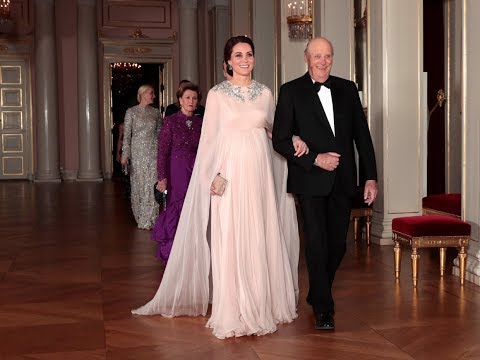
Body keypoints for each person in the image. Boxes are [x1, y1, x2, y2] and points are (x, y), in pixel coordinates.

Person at [132, 35, 308, 339]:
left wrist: (293, 138)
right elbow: (210, 139)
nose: (244, 60)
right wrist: (211, 175)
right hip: (228, 173)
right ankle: (234, 306)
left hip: (259, 174)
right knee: (232, 233)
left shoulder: (265, 93)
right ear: (228, 61)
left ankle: (261, 301)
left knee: (258, 232)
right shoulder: (216, 95)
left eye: (249, 54)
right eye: (238, 55)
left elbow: (274, 131)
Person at [272, 37, 378, 331]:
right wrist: (314, 159)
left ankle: (317, 291)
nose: (322, 61)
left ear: (333, 58)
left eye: (328, 56)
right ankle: (324, 308)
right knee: (317, 243)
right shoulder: (291, 90)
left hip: (344, 180)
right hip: (309, 180)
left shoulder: (347, 89)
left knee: (337, 246)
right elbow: (280, 139)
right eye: (317, 56)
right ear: (306, 58)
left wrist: (370, 177)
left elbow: (362, 137)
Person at [151, 82, 203, 262]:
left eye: (194, 98)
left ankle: (191, 250)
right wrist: (162, 178)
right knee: (177, 207)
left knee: (194, 208)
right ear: (180, 100)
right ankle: (173, 253)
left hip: (195, 170)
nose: (191, 101)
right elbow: (162, 152)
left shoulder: (200, 123)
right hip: (176, 171)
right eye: (187, 98)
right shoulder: (170, 121)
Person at [121, 84, 162, 229]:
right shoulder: (131, 112)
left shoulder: (156, 113)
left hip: (153, 153)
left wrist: (162, 154)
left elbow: (159, 135)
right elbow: (127, 136)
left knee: (151, 184)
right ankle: (141, 216)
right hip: (137, 153)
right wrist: (125, 155)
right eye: (152, 93)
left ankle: (151, 218)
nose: (154, 96)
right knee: (139, 184)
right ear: (143, 94)